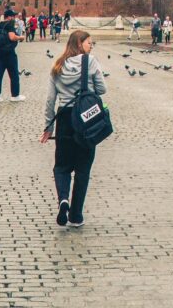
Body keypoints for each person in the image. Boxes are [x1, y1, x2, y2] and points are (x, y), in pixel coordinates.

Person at [41, 29, 107, 228]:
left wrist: (48, 127)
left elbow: (50, 100)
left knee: (61, 166)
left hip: (64, 119)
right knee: (83, 168)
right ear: (79, 44)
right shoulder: (91, 61)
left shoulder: (57, 65)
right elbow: (102, 89)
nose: (91, 46)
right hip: (85, 120)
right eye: (89, 43)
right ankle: (76, 215)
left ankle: (63, 200)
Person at [0, 8, 25, 102]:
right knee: (14, 75)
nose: (14, 18)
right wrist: (21, 37)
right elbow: (12, 37)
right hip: (9, 53)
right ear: (9, 17)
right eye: (13, 16)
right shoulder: (10, 25)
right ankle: (15, 95)